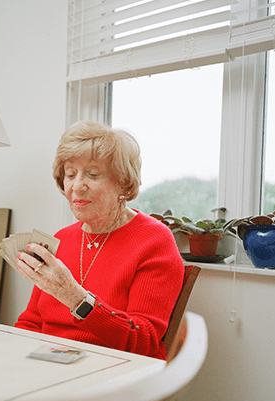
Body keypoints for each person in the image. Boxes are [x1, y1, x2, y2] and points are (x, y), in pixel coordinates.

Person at [14, 121, 184, 360]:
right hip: (49, 368)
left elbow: (142, 341)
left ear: (123, 183)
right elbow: (30, 323)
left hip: (114, 371)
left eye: (93, 174)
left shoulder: (154, 241)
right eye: (70, 174)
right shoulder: (62, 238)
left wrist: (76, 298)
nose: (77, 186)